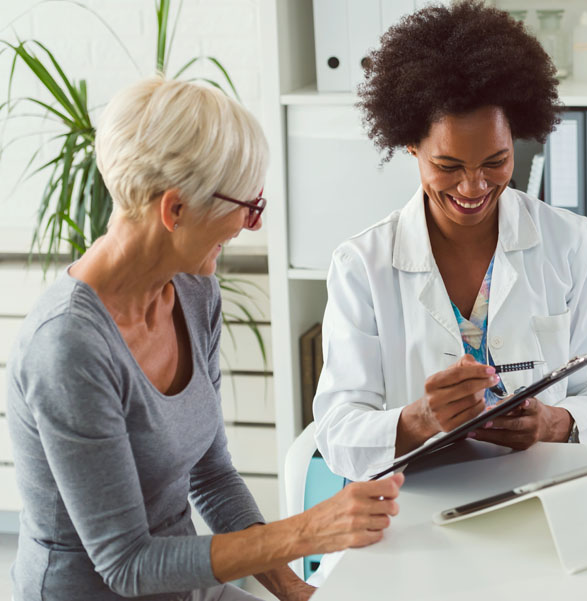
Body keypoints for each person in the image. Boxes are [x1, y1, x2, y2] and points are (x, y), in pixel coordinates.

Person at [6, 78, 403, 601]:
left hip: (185, 587)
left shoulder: (194, 292)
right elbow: (127, 565)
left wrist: (295, 591)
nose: (251, 224)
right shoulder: (67, 347)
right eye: (248, 206)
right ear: (174, 210)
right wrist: (306, 532)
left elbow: (212, 476)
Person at [313, 0, 587, 484]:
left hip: (547, 491)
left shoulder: (573, 243)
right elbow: (337, 433)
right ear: (411, 144)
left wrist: (553, 423)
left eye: (495, 162)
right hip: (419, 501)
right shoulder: (362, 265)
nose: (473, 186)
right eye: (449, 166)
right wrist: (420, 420)